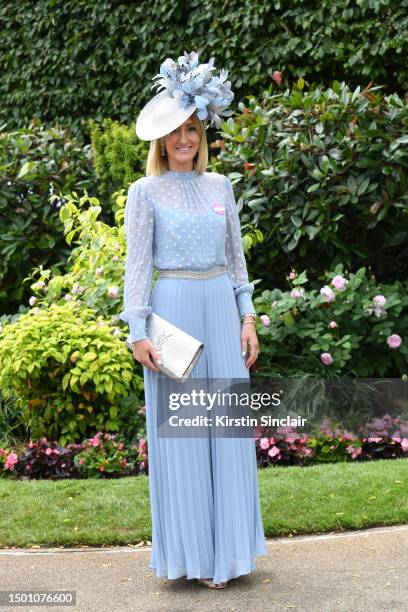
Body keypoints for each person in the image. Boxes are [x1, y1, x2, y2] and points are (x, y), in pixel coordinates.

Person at [119, 50, 267, 590]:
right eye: (176, 132)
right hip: (173, 314)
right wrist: (137, 330)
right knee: (182, 434)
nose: (185, 139)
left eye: (193, 129)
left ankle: (228, 556)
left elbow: (236, 260)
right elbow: (136, 266)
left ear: (202, 134)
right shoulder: (144, 193)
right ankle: (190, 557)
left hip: (221, 315)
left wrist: (247, 317)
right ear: (161, 140)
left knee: (225, 430)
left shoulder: (220, 187)